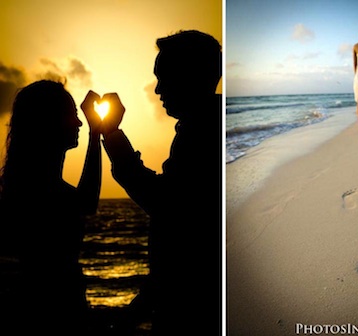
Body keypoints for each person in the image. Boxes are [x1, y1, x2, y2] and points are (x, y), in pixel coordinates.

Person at [99, 30, 222, 335]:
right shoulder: (206, 126)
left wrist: (112, 134)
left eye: (164, 77)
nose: (157, 89)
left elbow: (166, 206)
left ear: (192, 76)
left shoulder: (200, 135)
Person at [0, 80, 102, 334]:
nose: (79, 123)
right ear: (48, 122)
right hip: (52, 311)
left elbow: (83, 202)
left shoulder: (29, 182)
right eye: (72, 116)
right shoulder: (37, 187)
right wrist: (95, 134)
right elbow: (86, 203)